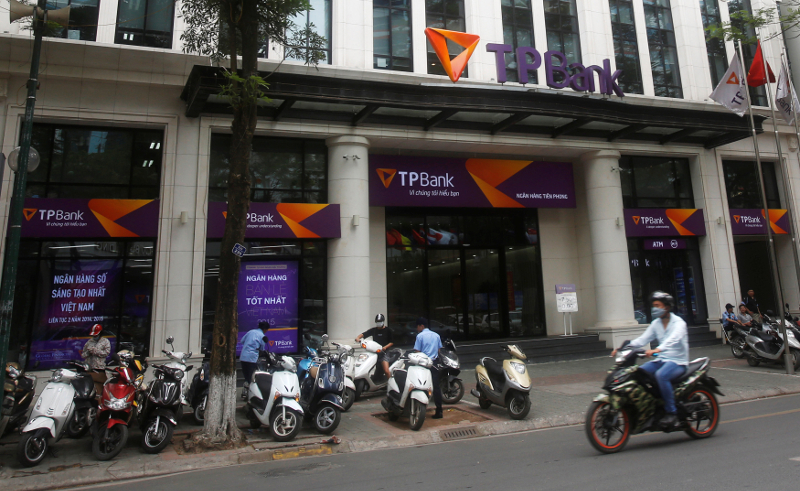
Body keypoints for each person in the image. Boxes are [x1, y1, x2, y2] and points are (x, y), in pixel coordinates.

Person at [612, 291, 688, 428]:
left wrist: (657, 349)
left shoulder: (679, 323)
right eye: (653, 305)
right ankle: (653, 405)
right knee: (638, 373)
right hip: (662, 360)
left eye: (657, 305)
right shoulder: (656, 323)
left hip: (677, 362)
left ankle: (672, 413)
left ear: (666, 307)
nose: (654, 308)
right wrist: (622, 348)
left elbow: (673, 339)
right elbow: (642, 339)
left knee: (661, 376)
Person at [413, 317, 443, 419]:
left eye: (417, 326)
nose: (417, 329)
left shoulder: (420, 336)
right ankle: (439, 410)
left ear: (421, 326)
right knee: (436, 387)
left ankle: (421, 409)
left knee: (421, 385)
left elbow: (417, 352)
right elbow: (439, 351)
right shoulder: (436, 335)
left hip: (423, 365)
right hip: (434, 364)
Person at [355, 314, 394, 378]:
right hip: (374, 352)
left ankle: (390, 383)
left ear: (383, 321)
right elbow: (364, 334)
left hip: (384, 352)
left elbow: (392, 342)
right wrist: (358, 338)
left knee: (386, 371)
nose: (379, 323)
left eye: (380, 321)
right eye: (378, 321)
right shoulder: (374, 330)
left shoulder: (388, 330)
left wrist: (385, 347)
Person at [240, 321, 270, 401]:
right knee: (251, 377)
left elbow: (242, 341)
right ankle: (250, 394)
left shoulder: (250, 332)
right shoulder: (262, 336)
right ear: (265, 329)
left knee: (246, 376)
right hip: (252, 358)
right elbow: (262, 348)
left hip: (243, 357)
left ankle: (245, 392)